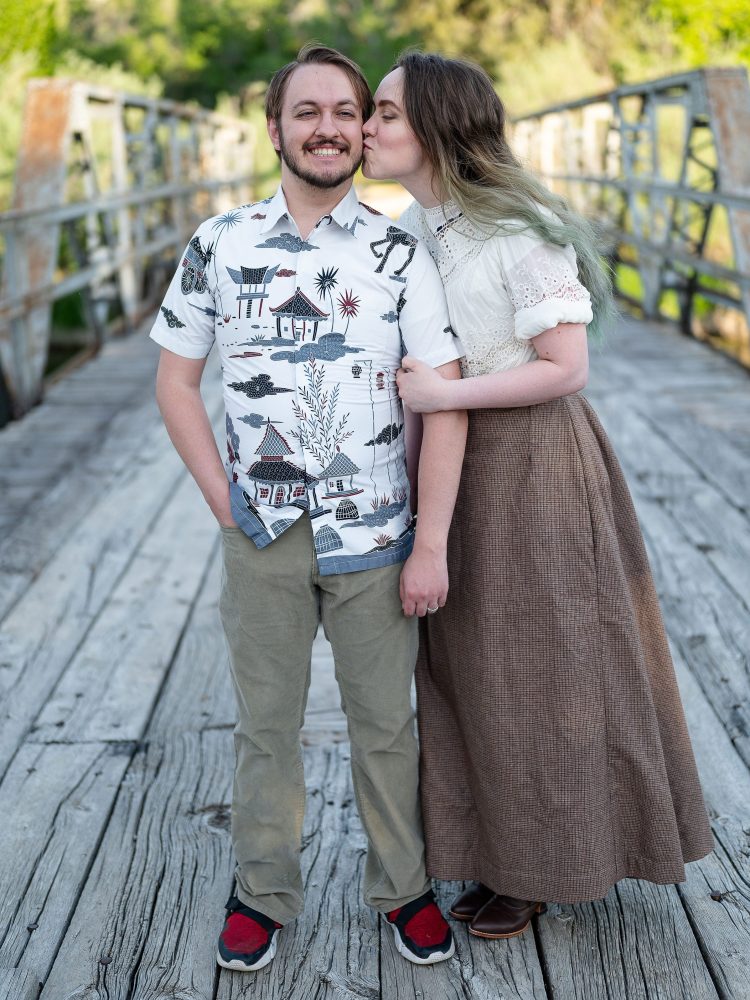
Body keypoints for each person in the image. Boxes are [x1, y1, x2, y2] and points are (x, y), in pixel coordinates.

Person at [361, 51, 713, 941]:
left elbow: (566, 368)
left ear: (436, 125)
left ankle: (547, 864)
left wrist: (444, 396)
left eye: (386, 113)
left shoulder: (518, 229)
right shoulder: (418, 225)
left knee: (542, 666)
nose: (368, 127)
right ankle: (494, 850)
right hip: (457, 461)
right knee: (469, 663)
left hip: (534, 465)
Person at [150, 44, 467, 972]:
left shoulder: (402, 250)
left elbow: (442, 402)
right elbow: (175, 382)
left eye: (344, 111)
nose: (327, 127)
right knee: (266, 725)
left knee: (386, 726)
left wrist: (431, 545)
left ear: (363, 127)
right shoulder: (221, 244)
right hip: (264, 536)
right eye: (306, 111)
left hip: (378, 532)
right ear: (276, 128)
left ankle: (403, 888)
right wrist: (221, 498)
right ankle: (263, 889)